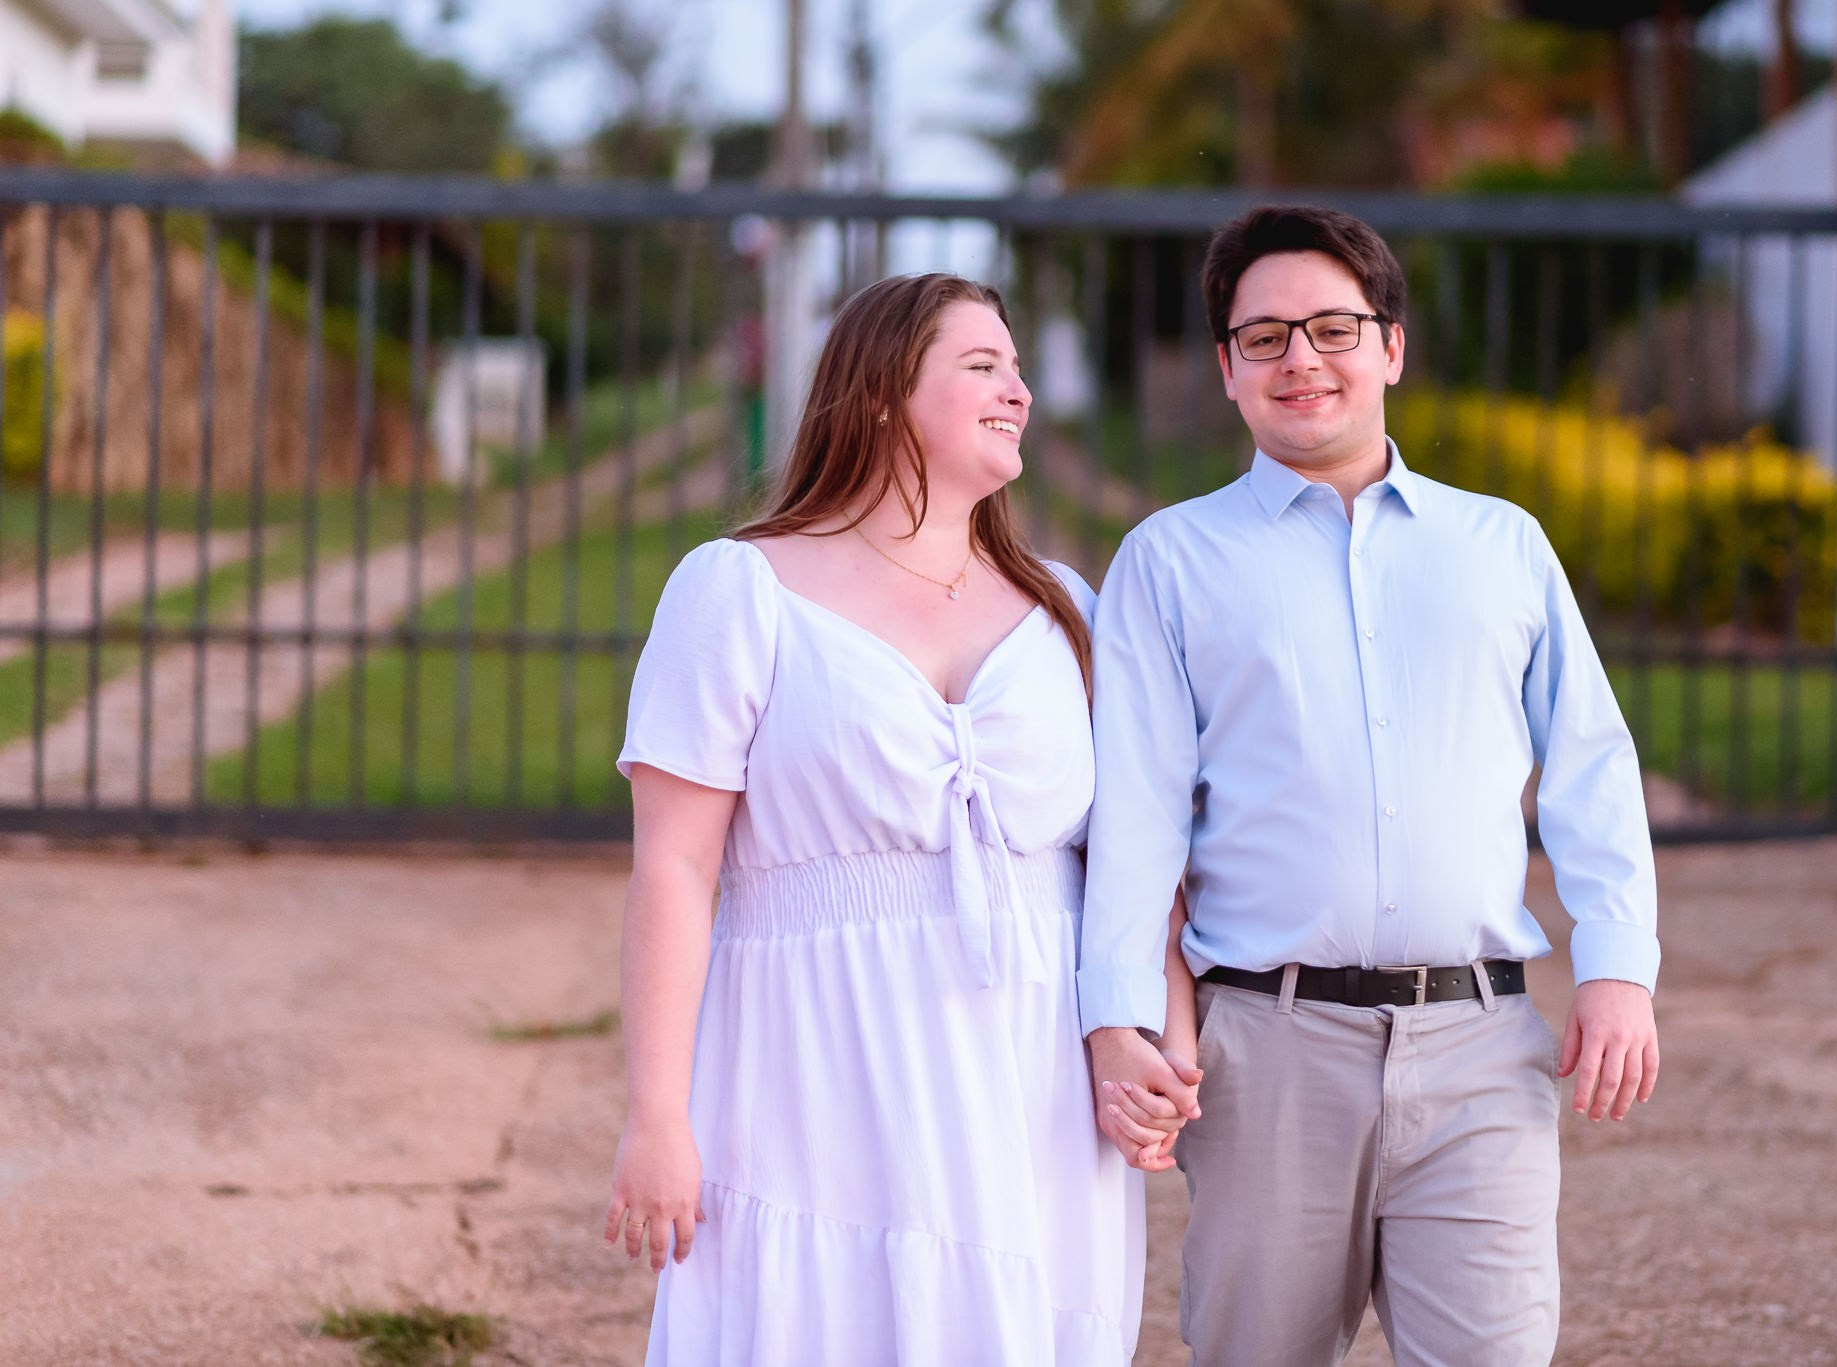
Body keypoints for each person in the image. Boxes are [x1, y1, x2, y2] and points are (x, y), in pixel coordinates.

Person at [1079, 206, 1663, 1366]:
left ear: (1390, 346)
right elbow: (1135, 809)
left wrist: (1618, 966)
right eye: (1264, 337)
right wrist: (1113, 1017)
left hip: (1480, 1045)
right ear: (1226, 369)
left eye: (1333, 327)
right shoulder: (1170, 560)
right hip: (1264, 1054)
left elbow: (1591, 762)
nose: (1301, 357)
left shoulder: (1501, 545)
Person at [606, 273, 1152, 1364]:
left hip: (1026, 1076)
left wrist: (1136, 1028)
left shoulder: (1067, 605)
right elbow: (672, 866)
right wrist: (656, 1112)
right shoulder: (738, 590)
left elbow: (1130, 864)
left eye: (1018, 366)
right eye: (982, 365)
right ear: (878, 395)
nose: (1020, 391)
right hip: (815, 1066)